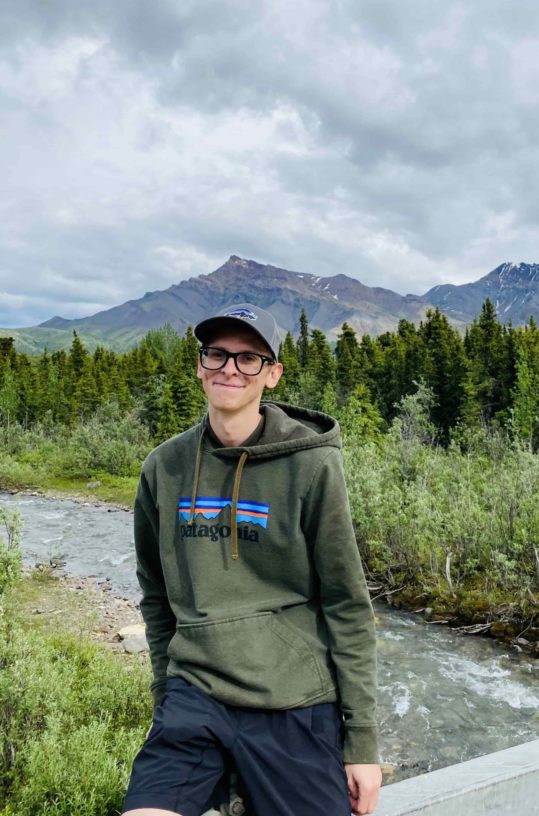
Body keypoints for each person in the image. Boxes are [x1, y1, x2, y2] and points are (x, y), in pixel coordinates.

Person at [122, 303, 381, 816]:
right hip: (196, 691)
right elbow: (156, 599)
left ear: (273, 374)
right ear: (199, 365)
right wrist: (163, 699)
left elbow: (346, 604)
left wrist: (363, 744)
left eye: (248, 359)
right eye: (216, 355)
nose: (229, 369)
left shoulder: (312, 465)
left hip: (296, 701)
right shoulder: (165, 468)